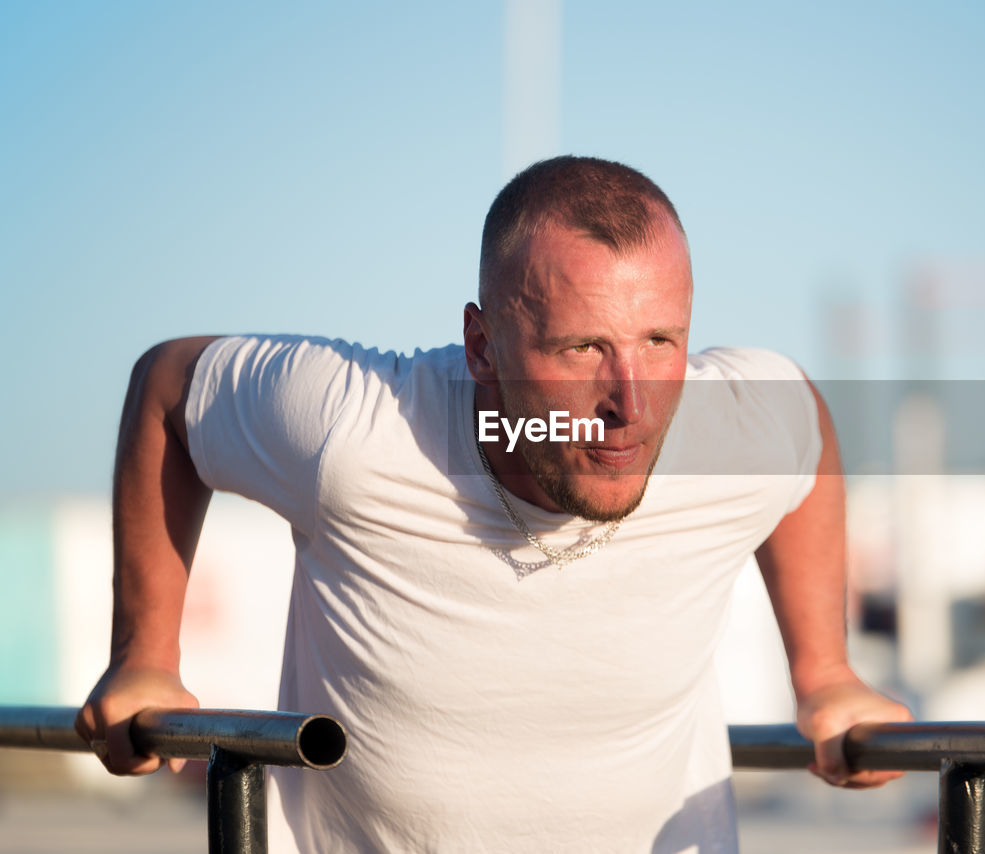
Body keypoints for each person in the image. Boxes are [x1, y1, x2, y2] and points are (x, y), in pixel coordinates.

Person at [75, 156, 911, 852]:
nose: (632, 400)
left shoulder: (731, 427)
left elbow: (804, 429)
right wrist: (145, 652)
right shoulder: (356, 426)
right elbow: (168, 391)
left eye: (661, 341)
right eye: (582, 348)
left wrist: (824, 672)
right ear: (483, 346)